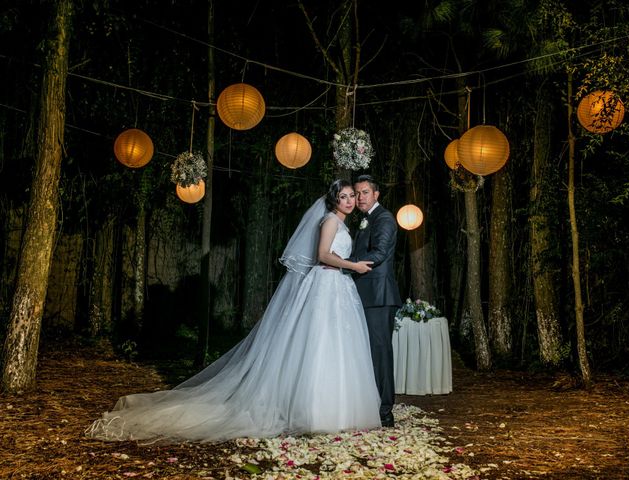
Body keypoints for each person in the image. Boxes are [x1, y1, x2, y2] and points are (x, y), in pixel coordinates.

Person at [86, 179, 381, 443]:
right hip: (326, 286)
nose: (350, 201)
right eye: (343, 197)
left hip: (338, 287)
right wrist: (353, 266)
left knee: (334, 346)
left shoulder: (342, 223)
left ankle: (336, 409)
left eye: (351, 196)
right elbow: (322, 256)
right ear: (334, 200)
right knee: (318, 344)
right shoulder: (330, 221)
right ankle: (317, 413)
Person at [351, 175, 401, 428]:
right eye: (358, 192)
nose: (360, 197)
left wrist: (347, 267)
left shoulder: (384, 218)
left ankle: (385, 411)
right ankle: (370, 403)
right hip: (365, 294)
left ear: (376, 194)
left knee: (381, 353)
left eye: (365, 192)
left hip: (379, 297)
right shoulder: (365, 219)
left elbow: (380, 253)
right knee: (367, 352)